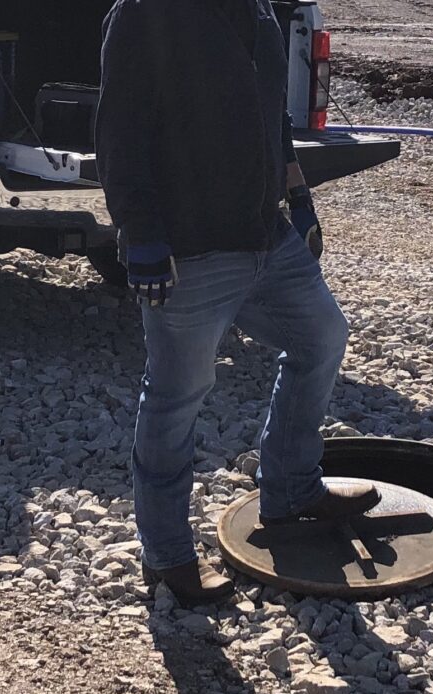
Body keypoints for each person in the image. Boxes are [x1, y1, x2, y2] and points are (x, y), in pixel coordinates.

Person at [96, 0, 380, 605]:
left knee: (322, 338)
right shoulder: (147, 14)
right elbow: (119, 131)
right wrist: (141, 236)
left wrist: (298, 198)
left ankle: (291, 490)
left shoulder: (259, 11)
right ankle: (167, 555)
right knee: (176, 397)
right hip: (191, 249)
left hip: (266, 236)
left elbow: (271, 115)